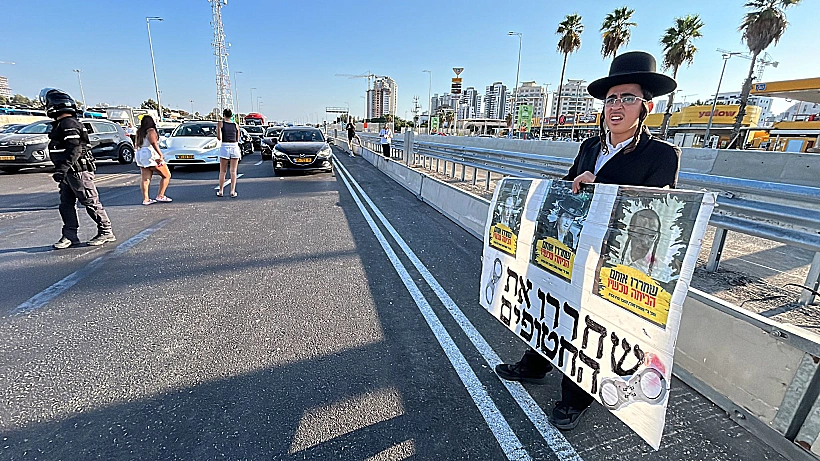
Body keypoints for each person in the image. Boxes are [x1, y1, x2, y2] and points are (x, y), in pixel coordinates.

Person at [494, 51, 681, 431]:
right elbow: (567, 185)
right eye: (611, 98)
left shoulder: (661, 155)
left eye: (628, 98)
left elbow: (656, 210)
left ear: (647, 105)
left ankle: (576, 399)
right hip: (571, 247)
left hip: (613, 263)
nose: (617, 106)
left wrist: (604, 189)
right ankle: (534, 364)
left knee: (589, 326)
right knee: (550, 307)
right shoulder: (589, 148)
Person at [40, 88, 116, 249]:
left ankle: (106, 231)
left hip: (78, 171)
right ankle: (70, 235)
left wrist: (62, 169)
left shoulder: (69, 124)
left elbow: (75, 149)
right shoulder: (62, 124)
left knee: (90, 201)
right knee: (66, 204)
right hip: (69, 172)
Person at [134, 115, 172, 205]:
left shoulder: (139, 132)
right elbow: (153, 143)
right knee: (166, 175)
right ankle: (161, 195)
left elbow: (136, 144)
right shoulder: (151, 131)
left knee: (145, 178)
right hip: (150, 154)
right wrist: (160, 155)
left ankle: (146, 199)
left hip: (141, 155)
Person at [621, 208, 661, 276]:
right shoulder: (615, 256)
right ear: (630, 232)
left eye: (651, 236)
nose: (645, 242)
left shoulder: (658, 271)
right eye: (640, 233)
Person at [217, 108, 241, 198]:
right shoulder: (236, 125)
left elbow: (219, 137)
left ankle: (221, 191)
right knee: (233, 171)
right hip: (234, 147)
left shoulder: (220, 124)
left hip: (225, 146)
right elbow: (237, 139)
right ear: (231, 116)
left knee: (223, 171)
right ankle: (232, 191)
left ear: (224, 115)